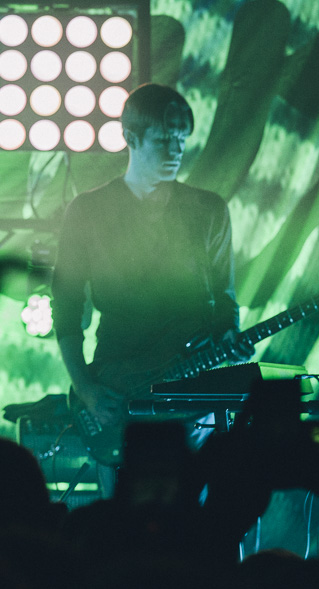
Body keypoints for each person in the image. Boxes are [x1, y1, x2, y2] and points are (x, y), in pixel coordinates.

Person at [52, 83, 253, 480]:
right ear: (130, 137)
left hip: (191, 386)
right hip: (117, 384)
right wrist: (87, 391)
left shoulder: (209, 210)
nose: (176, 149)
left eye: (181, 138)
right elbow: (66, 308)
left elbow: (225, 300)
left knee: (190, 508)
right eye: (164, 139)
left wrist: (231, 335)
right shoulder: (88, 211)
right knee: (123, 517)